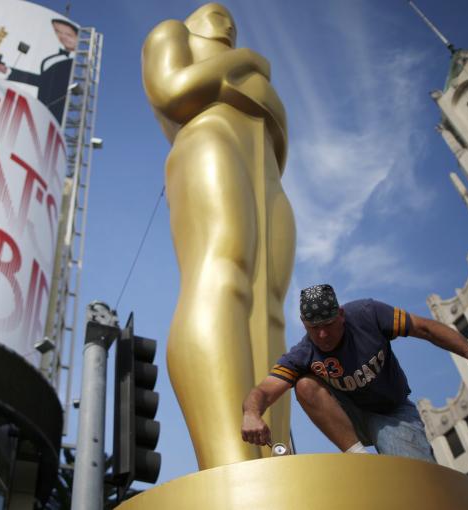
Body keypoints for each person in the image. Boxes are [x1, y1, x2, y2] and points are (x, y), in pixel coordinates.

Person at [142, 3, 294, 470]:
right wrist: (243, 61)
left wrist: (233, 76)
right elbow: (174, 91)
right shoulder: (172, 34)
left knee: (270, 305)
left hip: (266, 172)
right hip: (209, 140)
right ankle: (228, 457)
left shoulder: (236, 64)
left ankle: (278, 453)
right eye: (216, 11)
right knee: (222, 274)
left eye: (232, 16)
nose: (226, 21)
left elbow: (279, 134)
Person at [242, 284, 468, 460]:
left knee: (415, 478)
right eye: (314, 327)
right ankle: (358, 456)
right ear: (304, 325)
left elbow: (425, 328)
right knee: (304, 386)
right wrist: (252, 414)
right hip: (347, 418)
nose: (322, 335)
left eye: (329, 325)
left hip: (390, 413)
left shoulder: (368, 314)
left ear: (341, 314)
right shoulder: (304, 353)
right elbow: (264, 390)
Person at [8, 19, 78, 122]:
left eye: (68, 34)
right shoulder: (55, 57)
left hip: (50, 115)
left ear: (77, 38)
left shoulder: (71, 63)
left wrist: (10, 73)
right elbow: (43, 80)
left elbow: (43, 81)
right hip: (38, 110)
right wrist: (7, 71)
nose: (62, 37)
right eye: (58, 32)